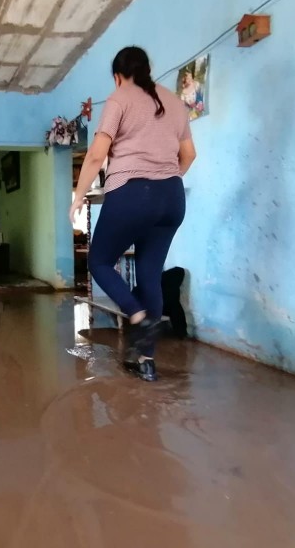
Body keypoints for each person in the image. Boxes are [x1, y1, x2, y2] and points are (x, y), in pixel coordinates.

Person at [70, 46, 197, 382]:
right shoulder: (174, 101)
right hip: (171, 196)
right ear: (148, 68)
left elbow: (98, 153)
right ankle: (145, 361)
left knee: (98, 261)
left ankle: (137, 316)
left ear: (117, 75)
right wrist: (165, 181)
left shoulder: (120, 97)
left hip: (131, 192)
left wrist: (78, 196)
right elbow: (189, 154)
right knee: (150, 275)